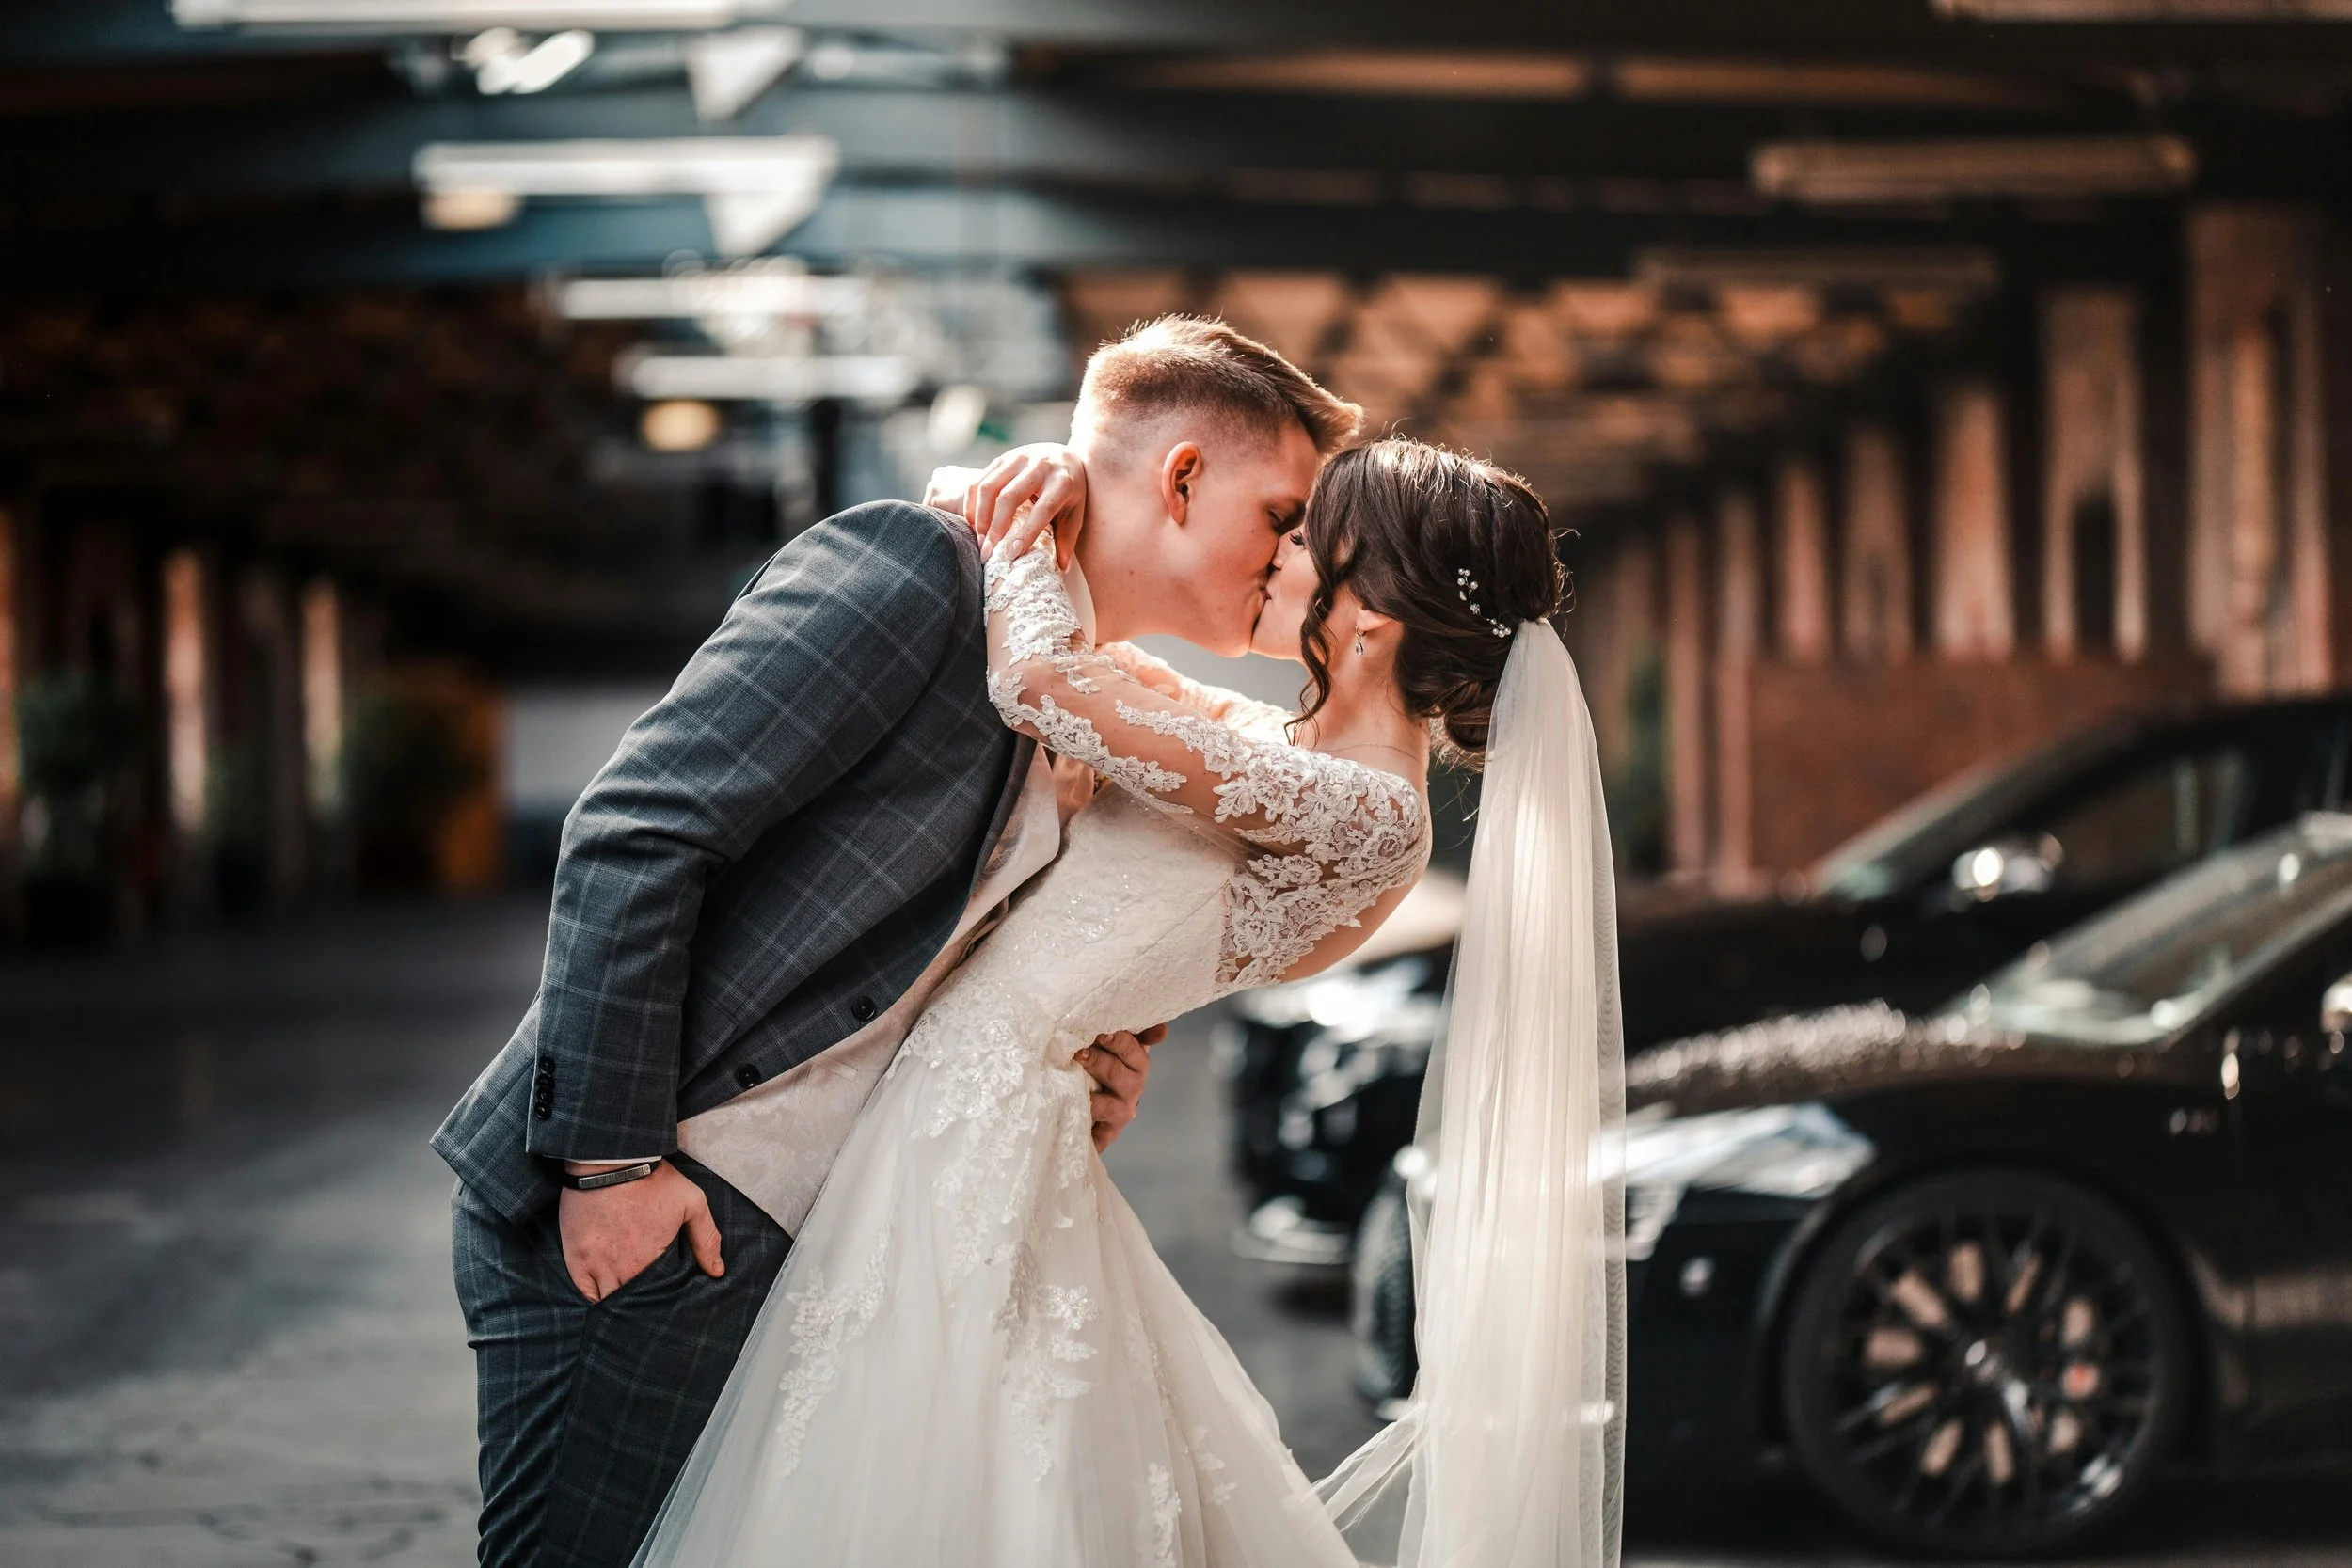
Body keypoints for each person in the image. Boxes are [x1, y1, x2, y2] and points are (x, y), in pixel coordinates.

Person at [432, 316, 1362, 1568]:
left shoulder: (1081, 677)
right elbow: (634, 826)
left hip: (816, 1255)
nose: (1296, 553)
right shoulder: (918, 572)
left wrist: (1091, 1048)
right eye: (1284, 512)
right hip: (653, 1211)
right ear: (1184, 476)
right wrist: (609, 1166)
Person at [628, 436, 1628, 1568]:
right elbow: (1086, 661)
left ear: (1371, 621)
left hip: (971, 1139)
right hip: (966, 1116)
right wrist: (1011, 485)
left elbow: (1042, 680)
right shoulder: (1265, 744)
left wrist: (1020, 514)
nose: (1281, 547)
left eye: (1310, 539)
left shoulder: (1366, 812)